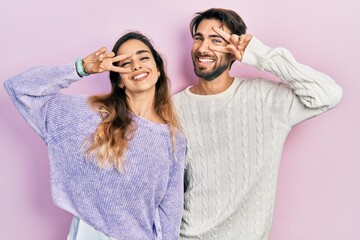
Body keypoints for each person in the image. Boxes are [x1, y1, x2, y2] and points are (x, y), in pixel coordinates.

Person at [173, 8, 343, 240]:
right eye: (199, 38)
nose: (203, 48)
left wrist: (260, 55)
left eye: (216, 40)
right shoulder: (173, 108)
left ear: (235, 50)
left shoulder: (264, 99)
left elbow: (329, 94)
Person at [4, 31, 186, 240]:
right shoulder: (90, 115)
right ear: (119, 81)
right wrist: (80, 68)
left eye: (143, 57)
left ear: (158, 70)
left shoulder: (174, 140)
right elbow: (19, 88)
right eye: (125, 63)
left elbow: (170, 213)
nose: (136, 66)